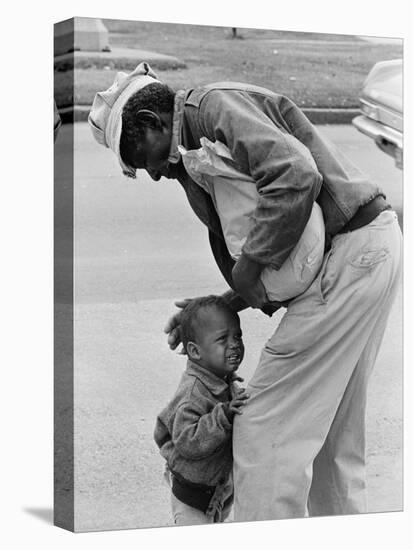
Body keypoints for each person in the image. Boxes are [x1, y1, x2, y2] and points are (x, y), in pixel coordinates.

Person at [89, 62, 402, 521]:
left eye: (142, 159)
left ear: (153, 124)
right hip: (368, 250)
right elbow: (269, 251)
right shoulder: (194, 139)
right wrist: (219, 304)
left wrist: (249, 270)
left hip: (349, 259)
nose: (152, 174)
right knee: (332, 440)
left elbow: (294, 176)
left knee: (262, 433)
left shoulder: (212, 108)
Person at [153, 295, 248, 525]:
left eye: (237, 336)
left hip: (217, 491)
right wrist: (222, 416)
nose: (234, 344)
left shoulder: (219, 380)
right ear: (195, 352)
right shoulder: (192, 394)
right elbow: (188, 441)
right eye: (222, 339)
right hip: (192, 499)